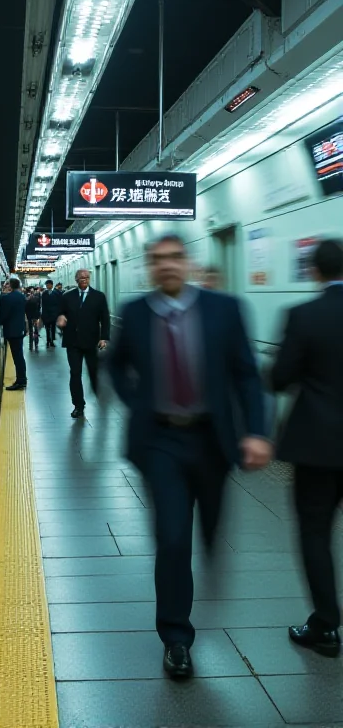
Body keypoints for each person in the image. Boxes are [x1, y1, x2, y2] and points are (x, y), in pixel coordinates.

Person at [109, 234, 271, 679]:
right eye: (157, 260)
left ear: (189, 262)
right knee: (173, 537)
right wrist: (138, 400)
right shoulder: (135, 313)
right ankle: (176, 637)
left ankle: (208, 565)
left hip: (211, 441)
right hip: (160, 441)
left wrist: (257, 431)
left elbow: (246, 376)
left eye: (174, 258)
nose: (167, 266)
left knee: (211, 527)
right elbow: (116, 365)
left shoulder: (224, 309)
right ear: (148, 267)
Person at [271, 238, 343, 658]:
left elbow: (280, 378)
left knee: (315, 533)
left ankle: (326, 625)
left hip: (317, 446)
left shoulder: (303, 315)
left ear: (314, 271)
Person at [56, 268, 110, 418]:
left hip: (92, 341)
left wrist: (104, 337)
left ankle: (98, 390)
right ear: (76, 279)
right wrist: (60, 317)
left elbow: (105, 319)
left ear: (89, 278)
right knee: (75, 373)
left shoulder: (99, 297)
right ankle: (78, 405)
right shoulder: (67, 297)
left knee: (94, 371)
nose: (84, 279)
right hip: (72, 342)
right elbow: (60, 312)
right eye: (81, 277)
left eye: (86, 277)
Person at [0, 277, 27, 391]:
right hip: (19, 330)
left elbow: (3, 316)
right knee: (19, 356)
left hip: (12, 331)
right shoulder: (21, 296)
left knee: (17, 357)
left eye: (6, 284)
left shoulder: (7, 298)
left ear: (10, 285)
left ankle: (20, 381)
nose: (5, 286)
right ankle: (22, 379)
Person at [41, 279, 61, 348]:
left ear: (51, 285)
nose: (47, 286)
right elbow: (43, 304)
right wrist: (42, 315)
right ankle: (48, 341)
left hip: (54, 314)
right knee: (47, 328)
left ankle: (52, 341)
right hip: (46, 314)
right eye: (46, 285)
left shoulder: (57, 293)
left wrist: (58, 314)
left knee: (53, 328)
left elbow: (59, 304)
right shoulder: (44, 294)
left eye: (48, 285)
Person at [25, 287, 41, 352]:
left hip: (29, 316)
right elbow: (39, 307)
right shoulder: (37, 298)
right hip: (35, 316)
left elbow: (25, 308)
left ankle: (31, 345)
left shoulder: (26, 299)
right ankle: (36, 343)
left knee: (31, 330)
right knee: (36, 330)